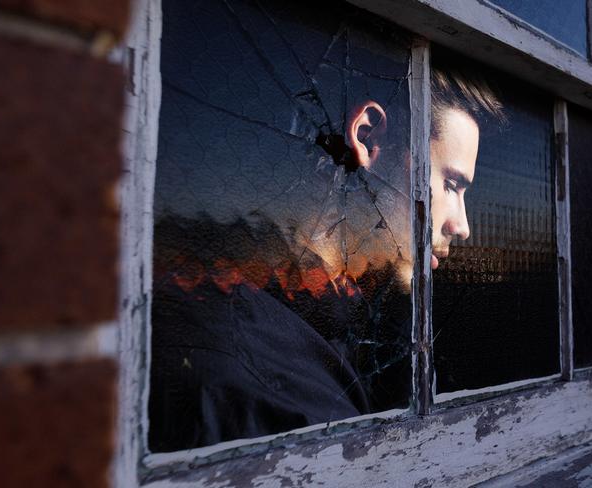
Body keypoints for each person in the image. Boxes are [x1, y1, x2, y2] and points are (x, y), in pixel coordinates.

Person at [148, 59, 504, 452]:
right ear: (368, 138)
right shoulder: (251, 370)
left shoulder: (363, 323)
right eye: (451, 185)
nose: (463, 225)